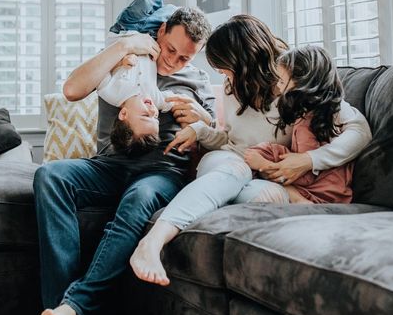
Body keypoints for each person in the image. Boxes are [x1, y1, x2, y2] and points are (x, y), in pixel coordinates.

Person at [33, 0, 215, 315]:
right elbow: (71, 90)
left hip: (161, 172)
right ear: (160, 32)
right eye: (171, 50)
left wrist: (202, 119)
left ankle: (73, 310)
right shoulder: (126, 58)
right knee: (50, 177)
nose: (174, 62)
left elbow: (217, 137)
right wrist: (121, 47)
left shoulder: (197, 80)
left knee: (139, 198)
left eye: (185, 58)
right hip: (109, 165)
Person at [129, 15, 372, 286]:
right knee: (236, 169)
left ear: (243, 61)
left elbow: (360, 131)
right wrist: (200, 130)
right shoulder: (232, 87)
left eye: (225, 68)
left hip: (265, 177)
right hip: (230, 162)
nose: (222, 76)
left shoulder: (292, 82)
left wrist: (307, 160)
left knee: (258, 194)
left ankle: (188, 217)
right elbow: (230, 142)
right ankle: (153, 241)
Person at [242, 44, 354, 205]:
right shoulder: (325, 114)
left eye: (281, 81)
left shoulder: (306, 125)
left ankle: (299, 201)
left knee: (260, 166)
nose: (278, 87)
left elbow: (305, 177)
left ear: (301, 83)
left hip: (321, 195)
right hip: (337, 191)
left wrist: (264, 165)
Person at [97, 0, 192, 154]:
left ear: (123, 114)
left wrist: (120, 62)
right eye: (155, 118)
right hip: (149, 37)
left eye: (144, 116)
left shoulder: (111, 93)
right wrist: (200, 117)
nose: (152, 111)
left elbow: (101, 65)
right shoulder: (155, 99)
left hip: (126, 28)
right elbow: (175, 101)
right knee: (173, 15)